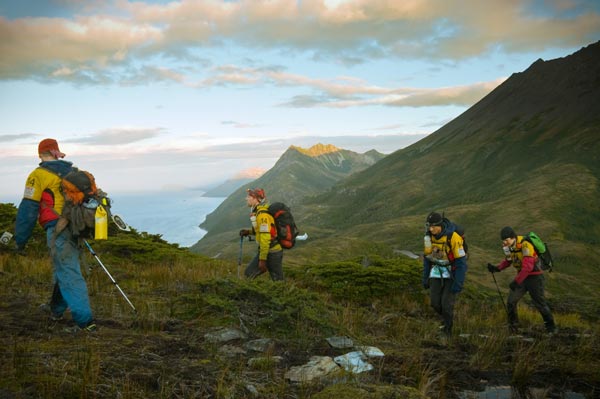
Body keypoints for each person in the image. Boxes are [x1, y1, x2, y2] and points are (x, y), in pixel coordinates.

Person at [14, 138, 96, 332]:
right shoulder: (73, 172)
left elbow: (28, 209)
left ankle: (85, 323)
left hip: (57, 228)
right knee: (64, 268)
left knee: (69, 272)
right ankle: (56, 310)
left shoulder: (38, 175)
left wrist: (20, 240)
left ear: (40, 154)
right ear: (57, 152)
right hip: (76, 227)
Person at [487, 226, 556, 333]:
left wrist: (516, 281)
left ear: (513, 237)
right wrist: (497, 268)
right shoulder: (509, 247)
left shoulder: (525, 244)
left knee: (539, 303)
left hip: (535, 277)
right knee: (511, 301)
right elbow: (509, 261)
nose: (504, 242)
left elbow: (528, 267)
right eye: (503, 240)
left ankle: (551, 328)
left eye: (506, 240)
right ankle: (513, 326)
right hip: (522, 277)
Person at [422, 212, 468, 336]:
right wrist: (425, 277)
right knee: (435, 303)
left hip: (451, 272)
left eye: (433, 226)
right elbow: (427, 259)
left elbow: (461, 263)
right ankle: (446, 319)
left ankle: (448, 331)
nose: (431, 229)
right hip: (437, 270)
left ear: (440, 225)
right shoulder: (428, 238)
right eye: (429, 226)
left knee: (446, 304)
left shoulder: (453, 237)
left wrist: (458, 282)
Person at [239, 188, 284, 281]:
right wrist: (249, 232)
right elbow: (263, 231)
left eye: (249, 196)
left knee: (250, 274)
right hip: (271, 250)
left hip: (272, 252)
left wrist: (262, 260)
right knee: (278, 280)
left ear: (255, 198)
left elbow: (265, 238)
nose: (246, 198)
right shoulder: (259, 212)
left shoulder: (262, 215)